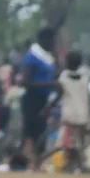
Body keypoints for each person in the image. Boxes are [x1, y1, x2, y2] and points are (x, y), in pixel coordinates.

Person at [17, 27, 60, 166]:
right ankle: (21, 162)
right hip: (32, 100)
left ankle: (37, 162)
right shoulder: (32, 56)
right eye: (52, 41)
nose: (53, 44)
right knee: (30, 132)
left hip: (43, 100)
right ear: (44, 40)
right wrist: (50, 84)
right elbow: (26, 82)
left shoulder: (48, 57)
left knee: (41, 132)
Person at [57, 48, 90, 177]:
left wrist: (47, 108)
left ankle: (71, 165)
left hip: (70, 114)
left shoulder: (63, 77)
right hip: (83, 114)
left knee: (69, 142)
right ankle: (81, 165)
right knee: (81, 141)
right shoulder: (85, 77)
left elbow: (59, 94)